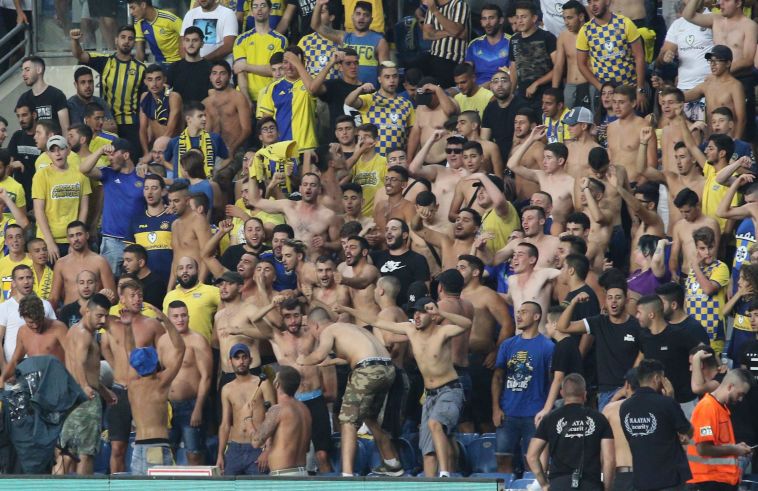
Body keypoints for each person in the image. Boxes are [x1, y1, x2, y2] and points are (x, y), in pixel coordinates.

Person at [339, 296, 472, 477]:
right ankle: (431, 485)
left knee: (435, 424)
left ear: (432, 315)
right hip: (429, 395)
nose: (416, 316)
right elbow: (377, 321)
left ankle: (444, 474)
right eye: (415, 312)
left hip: (450, 389)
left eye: (422, 312)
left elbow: (466, 324)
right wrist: (347, 309)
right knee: (427, 450)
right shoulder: (410, 330)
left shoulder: (443, 332)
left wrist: (441, 312)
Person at [297, 312, 403, 477]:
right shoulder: (352, 328)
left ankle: (347, 474)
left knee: (347, 421)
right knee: (370, 418)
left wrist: (301, 361)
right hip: (387, 369)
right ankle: (392, 463)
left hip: (366, 371)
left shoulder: (328, 330)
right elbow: (358, 354)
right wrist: (332, 362)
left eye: (309, 329)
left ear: (315, 325)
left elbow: (318, 355)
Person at [558, 282, 643, 410]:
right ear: (605, 301)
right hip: (605, 392)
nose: (613, 301)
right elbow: (563, 326)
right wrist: (574, 302)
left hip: (631, 390)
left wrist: (629, 384)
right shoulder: (598, 322)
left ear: (626, 300)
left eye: (618, 297)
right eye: (610, 298)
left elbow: (642, 354)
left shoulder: (636, 326)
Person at [682, 0, 757, 142]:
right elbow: (688, 15)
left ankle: (740, 151)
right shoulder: (715, 19)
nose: (720, 3)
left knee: (745, 128)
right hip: (717, 78)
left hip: (741, 79)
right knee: (715, 118)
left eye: (726, 0)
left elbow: (748, 59)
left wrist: (723, 73)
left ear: (738, 3)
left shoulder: (749, 25)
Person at [124, 302, 185, 475]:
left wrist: (127, 327)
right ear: (155, 361)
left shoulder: (132, 384)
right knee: (161, 487)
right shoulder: (161, 382)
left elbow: (130, 353)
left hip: (137, 447)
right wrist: (166, 320)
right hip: (157, 446)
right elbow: (180, 349)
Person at [526, 373, 615, 491]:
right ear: (585, 394)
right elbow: (609, 460)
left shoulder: (549, 419)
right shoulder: (599, 418)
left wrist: (543, 484)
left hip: (559, 484)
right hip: (590, 484)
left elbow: (532, 456)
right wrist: (607, 488)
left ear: (562, 393)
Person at [57, 294, 113, 475]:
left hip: (72, 396)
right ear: (87, 311)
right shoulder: (84, 334)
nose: (103, 320)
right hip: (85, 399)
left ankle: (54, 487)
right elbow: (79, 363)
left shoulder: (74, 330)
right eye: (99, 315)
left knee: (67, 452)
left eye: (106, 316)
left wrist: (103, 390)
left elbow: (84, 367)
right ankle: (84, 487)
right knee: (85, 454)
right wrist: (85, 386)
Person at [70, 26, 146, 154]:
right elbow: (79, 55)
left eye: (130, 38)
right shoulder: (105, 61)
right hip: (106, 124)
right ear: (116, 40)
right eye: (123, 37)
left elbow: (144, 101)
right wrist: (75, 40)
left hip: (131, 125)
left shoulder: (141, 69)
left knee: (131, 159)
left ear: (134, 42)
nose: (126, 41)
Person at [620, 359, 693, 491]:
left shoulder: (625, 407)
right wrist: (671, 398)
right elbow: (688, 431)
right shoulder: (666, 403)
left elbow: (633, 438)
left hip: (641, 479)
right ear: (657, 378)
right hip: (669, 479)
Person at [79, 139, 146, 274]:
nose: (109, 158)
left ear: (126, 155)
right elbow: (84, 169)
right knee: (109, 280)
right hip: (112, 240)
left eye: (113, 154)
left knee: (136, 281)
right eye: (108, 155)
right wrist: (100, 151)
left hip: (137, 240)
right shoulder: (108, 174)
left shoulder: (143, 177)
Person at [158, 300, 212, 466]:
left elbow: (206, 377)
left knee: (194, 453)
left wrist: (198, 408)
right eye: (175, 316)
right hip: (168, 406)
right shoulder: (162, 341)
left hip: (191, 404)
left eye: (183, 315)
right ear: (168, 319)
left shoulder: (198, 340)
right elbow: (159, 375)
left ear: (189, 317)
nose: (180, 320)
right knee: (166, 453)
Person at [687, 367, 753, 489]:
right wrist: (735, 449)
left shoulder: (720, 408)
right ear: (730, 387)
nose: (740, 399)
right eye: (740, 394)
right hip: (709, 480)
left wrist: (737, 447)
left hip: (719, 479)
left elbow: (718, 444)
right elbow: (703, 449)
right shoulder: (707, 407)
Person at [247, 172, 338, 259]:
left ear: (319, 189)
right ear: (300, 189)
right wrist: (252, 171)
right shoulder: (289, 207)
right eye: (305, 184)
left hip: (314, 264)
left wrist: (326, 244)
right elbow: (255, 201)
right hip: (291, 263)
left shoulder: (328, 215)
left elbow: (339, 244)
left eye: (312, 185)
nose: (308, 188)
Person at [636, 295, 701, 415]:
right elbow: (640, 359)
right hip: (657, 402)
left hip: (684, 401)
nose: (637, 316)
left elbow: (702, 349)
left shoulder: (679, 334)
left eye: (639, 312)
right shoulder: (643, 336)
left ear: (651, 315)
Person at [576, 0, 647, 111]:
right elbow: (581, 64)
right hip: (606, 95)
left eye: (596, 0)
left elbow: (640, 56)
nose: (593, 5)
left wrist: (640, 88)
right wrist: (600, 87)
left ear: (607, 1)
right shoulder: (585, 30)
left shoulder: (624, 23)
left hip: (630, 90)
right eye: (589, 2)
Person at [32, 136, 92, 262]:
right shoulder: (41, 175)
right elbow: (38, 210)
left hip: (73, 238)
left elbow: (84, 208)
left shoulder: (80, 174)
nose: (57, 153)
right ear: (48, 154)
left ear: (68, 150)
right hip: (48, 238)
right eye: (53, 150)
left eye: (61, 149)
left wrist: (77, 239)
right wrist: (49, 242)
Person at [217, 342, 273, 475]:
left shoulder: (262, 383)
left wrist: (267, 450)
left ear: (251, 360)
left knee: (257, 485)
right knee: (229, 485)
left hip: (257, 447)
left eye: (244, 357)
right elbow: (225, 424)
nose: (241, 361)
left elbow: (272, 417)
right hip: (234, 448)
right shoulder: (227, 389)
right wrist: (220, 454)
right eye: (237, 358)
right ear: (230, 362)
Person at [249, 365, 311, 476]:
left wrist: (248, 420)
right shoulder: (305, 410)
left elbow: (256, 442)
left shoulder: (278, 409)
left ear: (277, 384)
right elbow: (306, 448)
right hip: (302, 473)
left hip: (283, 476)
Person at [508, 126, 574, 228]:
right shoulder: (541, 176)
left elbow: (579, 211)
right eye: (544, 158)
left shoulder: (571, 183)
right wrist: (531, 139)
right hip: (537, 228)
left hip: (557, 230)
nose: (544, 162)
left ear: (560, 161)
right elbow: (512, 165)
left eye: (549, 158)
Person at [345, 62, 416, 157]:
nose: (392, 80)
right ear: (379, 79)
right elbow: (349, 102)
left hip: (396, 160)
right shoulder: (370, 99)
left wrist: (409, 158)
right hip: (371, 159)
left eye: (394, 76)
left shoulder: (406, 104)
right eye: (387, 77)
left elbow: (413, 135)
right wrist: (360, 89)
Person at [311, 0, 388, 84]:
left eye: (366, 15)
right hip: (346, 90)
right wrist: (318, 5)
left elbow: (386, 72)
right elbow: (316, 26)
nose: (361, 17)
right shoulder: (343, 37)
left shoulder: (380, 41)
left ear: (371, 20)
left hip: (369, 90)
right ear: (352, 17)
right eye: (358, 14)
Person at [0, 294, 68, 384]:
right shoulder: (22, 332)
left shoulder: (59, 328)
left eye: (38, 320)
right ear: (23, 318)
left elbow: (73, 358)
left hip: (59, 381)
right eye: (31, 322)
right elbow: (15, 361)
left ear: (43, 314)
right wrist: (2, 378)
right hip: (36, 383)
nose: (35, 326)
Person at [0, 264, 57, 371]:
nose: (26, 281)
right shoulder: (4, 307)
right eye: (21, 278)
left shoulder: (45, 305)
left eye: (29, 277)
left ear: (33, 280)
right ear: (13, 283)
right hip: (15, 367)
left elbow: (54, 333)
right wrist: (5, 368)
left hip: (42, 365)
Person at [232, 0, 287, 107]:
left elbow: (274, 70)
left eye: (263, 5)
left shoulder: (280, 40)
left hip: (271, 95)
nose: (259, 9)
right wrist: (246, 99)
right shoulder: (241, 40)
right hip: (246, 96)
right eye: (255, 6)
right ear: (251, 12)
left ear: (270, 10)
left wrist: (245, 66)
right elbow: (240, 72)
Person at [684, 46, 746, 140]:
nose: (713, 64)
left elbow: (742, 118)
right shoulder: (707, 85)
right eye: (711, 61)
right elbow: (681, 97)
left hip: (728, 141)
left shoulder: (735, 86)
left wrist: (737, 142)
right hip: (710, 140)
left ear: (728, 63)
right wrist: (664, 91)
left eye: (717, 61)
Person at [684, 227, 729, 355]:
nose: (707, 252)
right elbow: (687, 299)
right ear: (696, 249)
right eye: (702, 248)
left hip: (712, 331)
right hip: (692, 331)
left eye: (711, 247)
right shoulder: (693, 270)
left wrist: (695, 267)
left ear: (716, 245)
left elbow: (708, 289)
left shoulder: (721, 267)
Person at [49, 221, 115, 307]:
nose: (75, 239)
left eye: (79, 234)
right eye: (71, 236)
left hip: (93, 312)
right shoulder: (60, 264)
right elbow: (54, 298)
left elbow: (112, 296)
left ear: (87, 235)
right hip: (69, 313)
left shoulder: (100, 262)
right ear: (68, 239)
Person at [127, 174, 177, 285]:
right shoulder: (135, 221)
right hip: (143, 285)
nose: (149, 192)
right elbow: (130, 257)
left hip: (170, 281)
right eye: (146, 188)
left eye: (154, 188)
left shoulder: (173, 219)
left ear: (163, 192)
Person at [508, 1, 557, 111]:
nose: (519, 21)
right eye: (517, 17)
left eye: (523, 17)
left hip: (545, 96)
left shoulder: (547, 37)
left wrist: (537, 83)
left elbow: (559, 68)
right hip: (522, 96)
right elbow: (513, 68)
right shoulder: (514, 40)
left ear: (534, 18)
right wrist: (511, 93)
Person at [164, 101, 229, 179]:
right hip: (181, 184)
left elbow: (228, 158)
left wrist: (216, 169)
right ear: (188, 119)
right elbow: (164, 160)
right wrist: (176, 170)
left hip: (206, 182)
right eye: (200, 116)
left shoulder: (215, 138)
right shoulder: (175, 142)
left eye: (205, 116)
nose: (204, 119)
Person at [203, 60, 252, 160]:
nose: (218, 77)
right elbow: (204, 131)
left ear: (229, 77)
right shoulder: (205, 103)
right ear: (210, 77)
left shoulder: (238, 97)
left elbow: (247, 129)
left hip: (237, 148)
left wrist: (233, 148)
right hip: (212, 151)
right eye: (214, 73)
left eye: (222, 73)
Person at [163, 257, 220, 343]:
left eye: (189, 267)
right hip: (177, 347)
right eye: (181, 268)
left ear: (197, 270)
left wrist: (215, 337)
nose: (185, 271)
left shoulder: (212, 291)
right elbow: (165, 324)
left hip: (203, 347)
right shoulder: (169, 296)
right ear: (176, 272)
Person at [606, 86, 656, 182]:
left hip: (635, 184)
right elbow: (610, 158)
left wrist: (641, 183)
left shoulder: (644, 126)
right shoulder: (610, 127)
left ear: (633, 103)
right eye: (614, 102)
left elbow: (652, 163)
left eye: (621, 102)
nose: (616, 106)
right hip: (614, 184)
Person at [166, 182, 212, 285]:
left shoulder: (199, 220)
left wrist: (199, 285)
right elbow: (175, 259)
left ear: (187, 201)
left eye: (176, 201)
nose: (172, 206)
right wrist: (169, 289)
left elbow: (207, 255)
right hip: (180, 283)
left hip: (197, 281)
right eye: (170, 201)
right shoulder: (174, 225)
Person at [481, 68, 531, 162]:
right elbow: (484, 139)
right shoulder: (489, 108)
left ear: (511, 84)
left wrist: (508, 165)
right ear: (491, 87)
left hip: (518, 152)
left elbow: (518, 140)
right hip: (496, 153)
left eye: (504, 81)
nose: (500, 85)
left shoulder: (521, 105)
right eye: (496, 82)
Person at [138, 65, 183, 159]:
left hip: (175, 148)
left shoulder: (173, 97)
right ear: (145, 82)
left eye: (158, 79)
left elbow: (170, 130)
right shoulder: (144, 97)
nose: (154, 84)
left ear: (164, 79)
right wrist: (146, 153)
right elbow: (143, 128)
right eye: (150, 79)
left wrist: (155, 152)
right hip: (156, 150)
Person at [552, 1, 590, 108]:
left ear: (581, 17)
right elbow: (558, 66)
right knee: (569, 118)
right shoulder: (563, 36)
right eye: (564, 18)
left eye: (569, 18)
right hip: (570, 86)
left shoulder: (592, 33)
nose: (566, 22)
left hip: (588, 84)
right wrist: (554, 90)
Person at [17, 56, 69, 132]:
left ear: (39, 70)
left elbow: (65, 128)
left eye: (27, 70)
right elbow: (22, 127)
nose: (23, 74)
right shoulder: (24, 98)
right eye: (22, 70)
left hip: (52, 139)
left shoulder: (57, 95)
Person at [465, 4, 511, 87]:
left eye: (491, 18)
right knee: (447, 92)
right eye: (484, 19)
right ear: (481, 22)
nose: (487, 23)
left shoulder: (511, 42)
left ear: (501, 20)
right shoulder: (474, 44)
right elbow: (466, 73)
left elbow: (515, 73)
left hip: (500, 87)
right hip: (475, 87)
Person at [128, 0, 183, 65]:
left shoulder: (170, 19)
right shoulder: (138, 21)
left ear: (143, 5)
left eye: (133, 8)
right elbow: (140, 52)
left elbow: (187, 40)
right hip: (159, 64)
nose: (131, 12)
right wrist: (137, 68)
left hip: (177, 62)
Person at [167, 26, 212, 103]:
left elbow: (213, 97)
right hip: (179, 109)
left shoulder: (210, 68)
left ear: (202, 44)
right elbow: (165, 92)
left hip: (203, 109)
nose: (191, 44)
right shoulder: (174, 67)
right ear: (183, 43)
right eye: (187, 40)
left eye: (195, 40)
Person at [7, 104, 39, 205]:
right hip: (20, 194)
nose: (21, 119)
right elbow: (8, 164)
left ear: (34, 115)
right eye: (18, 116)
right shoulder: (17, 136)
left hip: (39, 193)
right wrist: (11, 165)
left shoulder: (42, 137)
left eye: (24, 115)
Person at [122, 244, 167, 308]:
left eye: (128, 260)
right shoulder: (128, 279)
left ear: (141, 263)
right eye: (124, 260)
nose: (124, 264)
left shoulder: (156, 284)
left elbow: (151, 310)